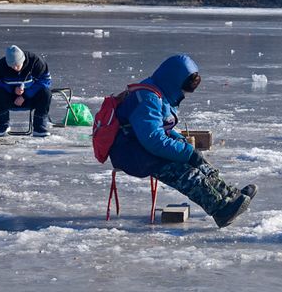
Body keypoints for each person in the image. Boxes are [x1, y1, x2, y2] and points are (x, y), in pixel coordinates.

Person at [108, 54, 257, 228]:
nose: (184, 94)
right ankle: (220, 209)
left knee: (198, 161)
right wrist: (186, 152)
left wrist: (186, 147)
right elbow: (153, 139)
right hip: (130, 154)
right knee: (185, 172)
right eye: (184, 90)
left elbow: (162, 129)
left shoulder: (159, 92)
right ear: (173, 82)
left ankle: (229, 195)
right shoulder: (147, 99)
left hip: (142, 148)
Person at [0, 45, 52, 137]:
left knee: (46, 93)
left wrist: (25, 95)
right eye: (12, 66)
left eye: (17, 65)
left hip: (30, 98)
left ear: (22, 60)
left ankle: (39, 126)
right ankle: (3, 125)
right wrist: (12, 90)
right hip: (10, 98)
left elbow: (46, 80)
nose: (15, 68)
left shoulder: (35, 62)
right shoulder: (0, 66)